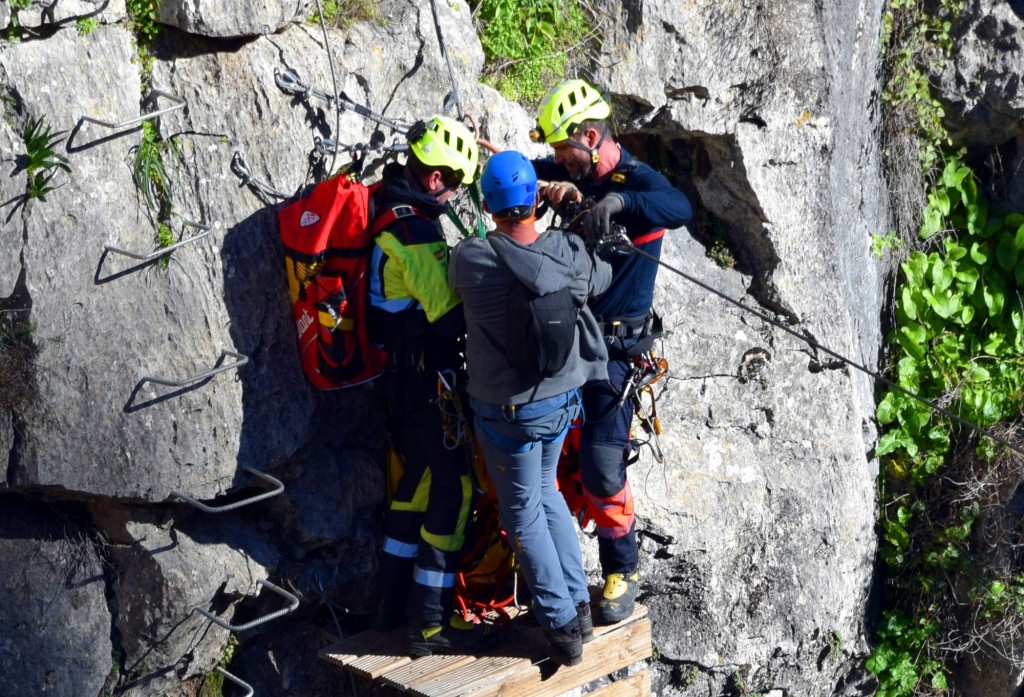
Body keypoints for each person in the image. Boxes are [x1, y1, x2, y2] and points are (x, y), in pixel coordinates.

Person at [530, 78, 693, 625]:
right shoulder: (573, 171)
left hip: (616, 353)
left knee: (602, 466)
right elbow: (528, 170)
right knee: (545, 460)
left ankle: (621, 567)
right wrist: (539, 185)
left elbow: (678, 206)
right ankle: (554, 575)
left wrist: (618, 202)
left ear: (591, 136)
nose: (559, 160)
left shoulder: (641, 184)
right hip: (570, 340)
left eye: (564, 151)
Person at [448, 151, 612, 666]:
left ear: (489, 205)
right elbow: (601, 277)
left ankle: (562, 627)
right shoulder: (564, 251)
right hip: (560, 400)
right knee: (549, 498)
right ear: (532, 202)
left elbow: (460, 270)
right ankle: (578, 608)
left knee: (524, 512)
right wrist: (563, 203)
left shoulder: (472, 259)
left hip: (508, 412)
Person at [367, 115, 490, 657]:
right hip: (426, 381)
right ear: (437, 178)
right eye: (457, 182)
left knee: (417, 483)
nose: (456, 192)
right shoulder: (414, 229)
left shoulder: (392, 207)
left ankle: (390, 608)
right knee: (455, 488)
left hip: (402, 378)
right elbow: (448, 313)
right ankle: (431, 624)